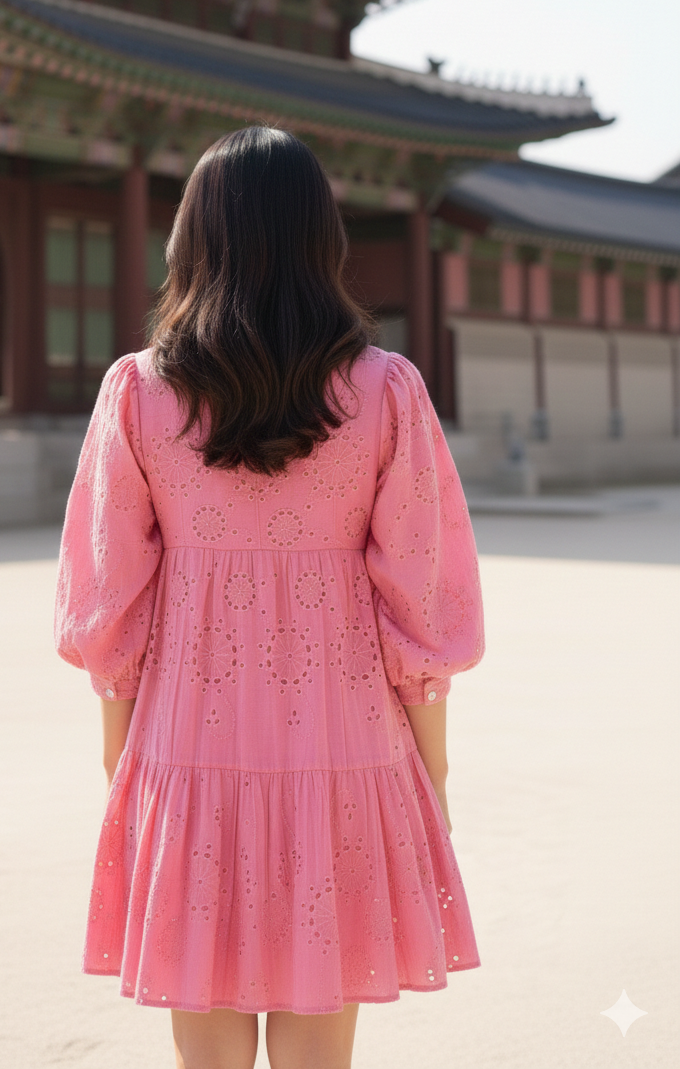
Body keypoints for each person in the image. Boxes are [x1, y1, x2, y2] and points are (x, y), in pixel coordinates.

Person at [54, 126, 485, 1069]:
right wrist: (435, 774)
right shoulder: (386, 390)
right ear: (320, 240)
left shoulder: (137, 392)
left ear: (192, 240)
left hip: (185, 741)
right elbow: (423, 596)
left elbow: (109, 597)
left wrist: (121, 757)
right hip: (348, 744)